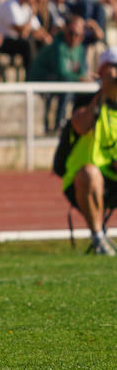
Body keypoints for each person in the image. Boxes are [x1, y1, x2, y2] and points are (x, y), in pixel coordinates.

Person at [59, 49, 117, 255]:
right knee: (89, 173)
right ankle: (98, 238)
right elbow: (81, 126)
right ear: (101, 71)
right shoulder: (87, 98)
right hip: (85, 179)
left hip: (113, 174)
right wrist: (102, 94)